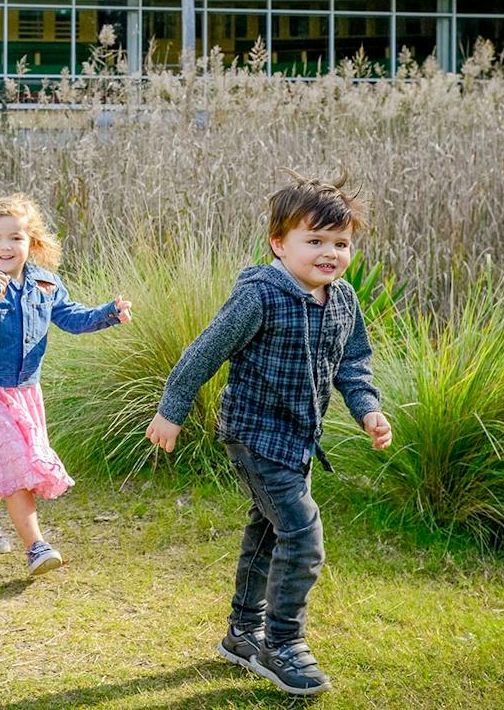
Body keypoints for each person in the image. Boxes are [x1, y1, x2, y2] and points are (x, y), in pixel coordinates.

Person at [143, 175, 392, 697]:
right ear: (279, 244)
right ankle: (282, 643)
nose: (330, 254)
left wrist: (367, 409)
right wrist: (172, 410)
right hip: (254, 435)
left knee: (270, 527)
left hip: (299, 439)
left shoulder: (342, 299)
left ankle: (242, 633)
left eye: (341, 244)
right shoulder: (260, 295)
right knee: (301, 533)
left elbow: (352, 363)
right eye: (315, 241)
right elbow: (203, 352)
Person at [0, 192, 132, 576]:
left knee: (2, 468)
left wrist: (109, 314)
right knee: (16, 469)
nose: (5, 246)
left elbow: (72, 318)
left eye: (15, 237)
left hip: (26, 392)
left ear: (31, 242)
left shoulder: (46, 283)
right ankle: (36, 547)